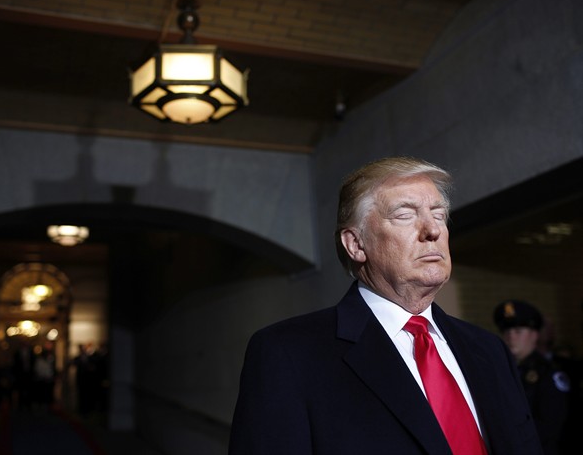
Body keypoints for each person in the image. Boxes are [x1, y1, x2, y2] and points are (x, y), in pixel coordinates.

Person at [229, 157, 542, 454]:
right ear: (356, 244)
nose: (432, 230)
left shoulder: (489, 349)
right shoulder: (288, 354)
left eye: (438, 214)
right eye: (405, 215)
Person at [493, 299, 570, 455]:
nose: (511, 337)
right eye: (507, 332)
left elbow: (550, 427)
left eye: (518, 331)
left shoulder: (549, 374)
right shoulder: (499, 370)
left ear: (534, 335)